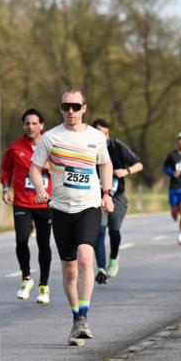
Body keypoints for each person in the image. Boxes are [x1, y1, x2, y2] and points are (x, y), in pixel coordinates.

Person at [27, 89, 114, 344]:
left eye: (76, 107)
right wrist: (41, 189)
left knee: (86, 257)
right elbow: (34, 168)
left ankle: (84, 317)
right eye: (67, 107)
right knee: (69, 269)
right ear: (61, 108)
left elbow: (105, 164)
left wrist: (106, 193)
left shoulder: (96, 137)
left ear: (84, 108)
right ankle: (76, 318)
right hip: (61, 208)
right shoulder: (51, 137)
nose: (71, 111)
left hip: (88, 206)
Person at [0, 108, 52, 303]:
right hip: (22, 201)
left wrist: (50, 167)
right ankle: (26, 278)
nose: (31, 127)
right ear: (23, 125)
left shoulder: (52, 145)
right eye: (27, 123)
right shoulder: (15, 148)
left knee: (43, 245)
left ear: (41, 126)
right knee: (21, 240)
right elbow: (5, 170)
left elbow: (65, 167)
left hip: (45, 202)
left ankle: (44, 285)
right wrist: (5, 189)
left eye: (34, 123)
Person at [90, 118, 141, 284]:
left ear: (108, 134)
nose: (102, 137)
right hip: (96, 197)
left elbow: (139, 164)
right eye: (99, 133)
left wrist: (125, 171)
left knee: (114, 231)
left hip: (117, 196)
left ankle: (113, 257)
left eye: (105, 134)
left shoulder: (117, 146)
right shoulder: (88, 147)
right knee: (99, 231)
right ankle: (101, 269)